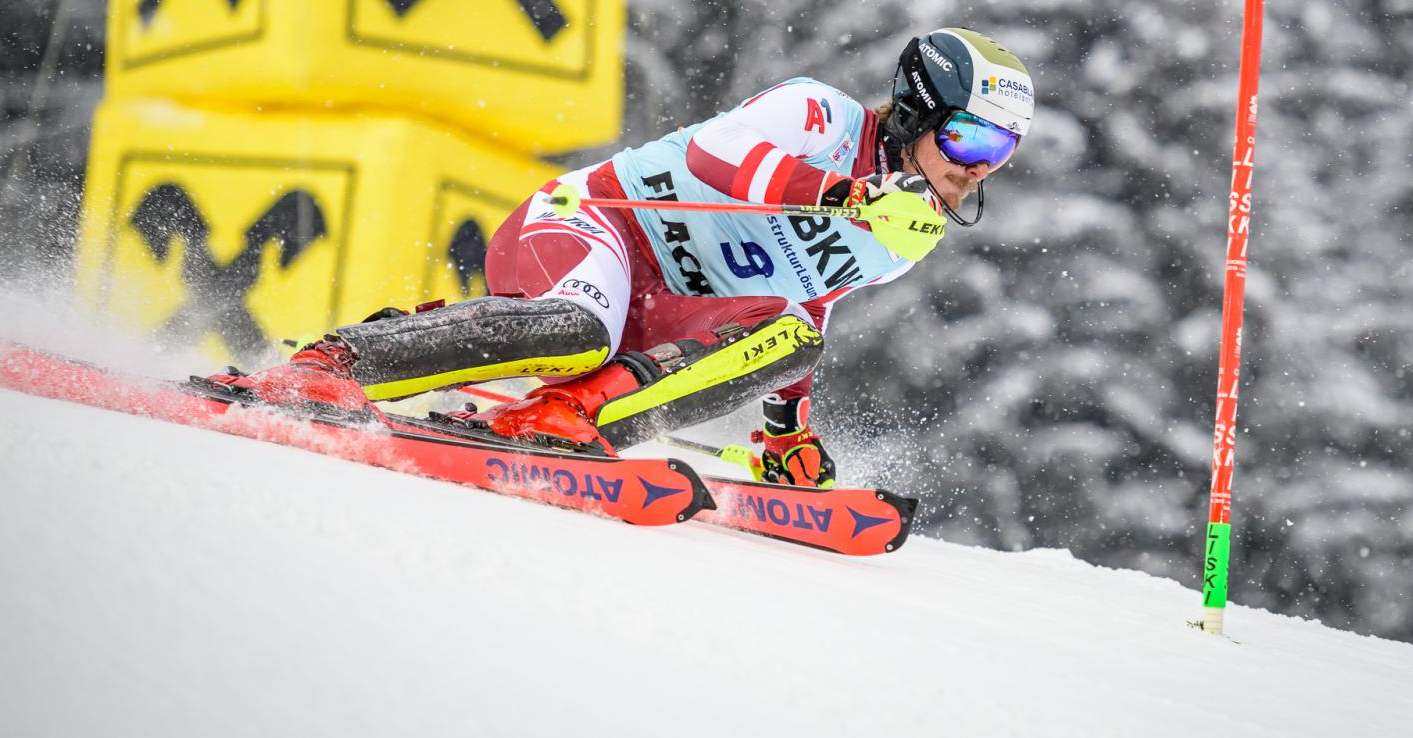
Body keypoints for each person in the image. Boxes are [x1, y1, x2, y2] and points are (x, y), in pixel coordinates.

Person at [206, 28, 1035, 487]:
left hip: (666, 311)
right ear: (918, 112)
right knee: (579, 331)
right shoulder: (819, 116)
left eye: (1002, 151)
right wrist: (832, 192)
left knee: (796, 337)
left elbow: (808, 300)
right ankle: (334, 363)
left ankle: (568, 417)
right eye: (970, 138)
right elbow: (718, 156)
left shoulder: (905, 231)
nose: (977, 167)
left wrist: (786, 431)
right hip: (595, 229)